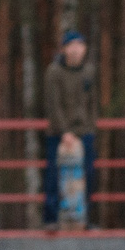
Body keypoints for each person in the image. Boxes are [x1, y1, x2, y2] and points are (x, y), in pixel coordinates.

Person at [41, 31, 96, 227]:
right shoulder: (54, 72)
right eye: (71, 45)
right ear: (64, 49)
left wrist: (89, 128)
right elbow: (53, 104)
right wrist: (64, 131)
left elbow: (92, 102)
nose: (75, 50)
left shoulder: (89, 71)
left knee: (88, 175)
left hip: (84, 133)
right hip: (58, 134)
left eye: (79, 45)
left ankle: (85, 220)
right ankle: (51, 219)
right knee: (54, 177)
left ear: (84, 48)